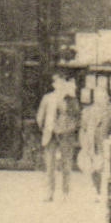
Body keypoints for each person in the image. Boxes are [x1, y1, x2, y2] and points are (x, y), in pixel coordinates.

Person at [36, 71, 80, 200]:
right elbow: (40, 116)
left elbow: (76, 118)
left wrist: (68, 129)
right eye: (56, 83)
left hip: (66, 135)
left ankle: (65, 193)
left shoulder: (70, 99)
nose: (59, 85)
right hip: (50, 135)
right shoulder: (47, 98)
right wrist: (45, 129)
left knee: (66, 164)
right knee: (50, 165)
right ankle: (49, 192)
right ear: (54, 85)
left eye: (62, 82)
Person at [78, 79, 111, 198]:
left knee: (103, 168)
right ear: (95, 98)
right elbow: (82, 129)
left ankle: (103, 192)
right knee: (90, 168)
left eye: (104, 96)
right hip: (89, 144)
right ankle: (96, 190)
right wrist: (83, 144)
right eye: (99, 96)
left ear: (107, 97)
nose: (103, 99)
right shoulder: (87, 111)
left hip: (103, 144)